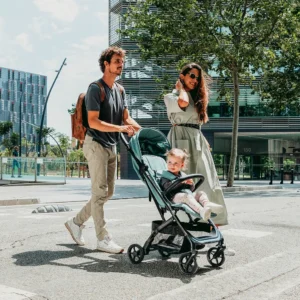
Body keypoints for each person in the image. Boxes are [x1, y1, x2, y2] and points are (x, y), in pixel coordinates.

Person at [65, 46, 141, 254]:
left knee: (107, 193)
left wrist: (140, 129)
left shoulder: (120, 90)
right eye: (117, 61)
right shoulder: (95, 89)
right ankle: (102, 238)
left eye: (122, 62)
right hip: (96, 143)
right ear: (106, 64)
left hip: (111, 145)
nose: (120, 65)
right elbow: (93, 121)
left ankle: (75, 223)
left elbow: (125, 118)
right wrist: (121, 129)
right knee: (99, 192)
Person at [164, 63, 235, 255]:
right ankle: (185, 237)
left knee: (209, 186)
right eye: (191, 76)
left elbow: (196, 122)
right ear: (182, 76)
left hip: (197, 143)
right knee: (185, 187)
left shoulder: (198, 99)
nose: (195, 80)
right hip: (180, 144)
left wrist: (202, 141)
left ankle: (216, 236)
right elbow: (183, 103)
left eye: (197, 78)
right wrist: (181, 87)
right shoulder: (172, 96)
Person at [159, 148, 224, 221]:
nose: (172, 165)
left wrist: (191, 184)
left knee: (200, 193)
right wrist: (181, 183)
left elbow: (191, 190)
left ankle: (207, 204)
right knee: (186, 196)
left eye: (176, 163)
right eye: (169, 162)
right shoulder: (165, 177)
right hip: (172, 198)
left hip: (186, 195)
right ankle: (201, 211)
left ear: (182, 165)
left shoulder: (182, 175)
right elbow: (168, 188)